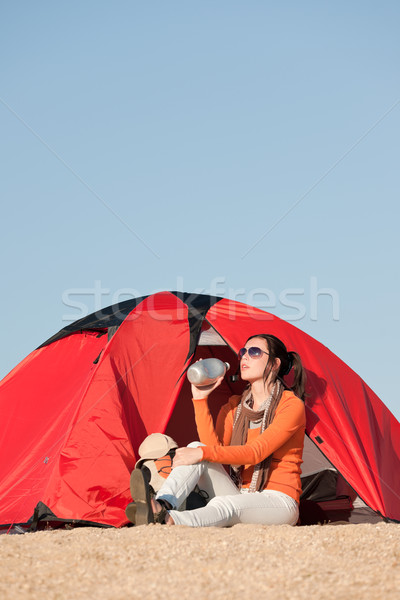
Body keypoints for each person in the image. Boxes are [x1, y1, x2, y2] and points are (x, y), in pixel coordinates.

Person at [129, 333, 306, 528]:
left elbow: (256, 453)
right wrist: (200, 399)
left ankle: (169, 519)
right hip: (241, 493)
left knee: (223, 502)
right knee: (198, 446)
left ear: (274, 364)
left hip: (279, 501)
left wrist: (201, 452)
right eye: (243, 351)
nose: (245, 356)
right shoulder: (234, 406)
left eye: (254, 352)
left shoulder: (291, 405)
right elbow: (213, 450)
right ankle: (161, 504)